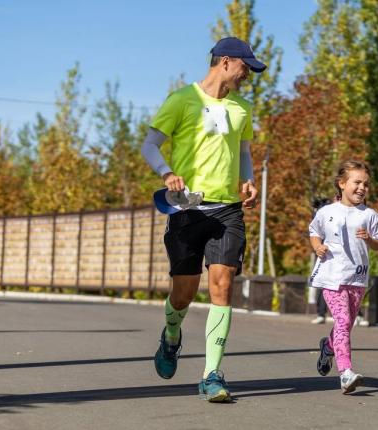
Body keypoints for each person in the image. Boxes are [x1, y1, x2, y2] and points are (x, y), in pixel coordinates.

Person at [141, 37, 266, 402]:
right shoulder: (182, 100)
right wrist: (166, 174)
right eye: (245, 68)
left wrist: (249, 181)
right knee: (182, 294)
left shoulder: (242, 109)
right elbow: (150, 144)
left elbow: (244, 153)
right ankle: (172, 334)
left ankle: (212, 374)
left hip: (227, 209)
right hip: (187, 210)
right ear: (226, 62)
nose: (247, 76)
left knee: (222, 286)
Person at [309, 160, 378, 394]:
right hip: (332, 277)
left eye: (366, 184)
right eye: (357, 182)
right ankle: (346, 373)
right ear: (342, 184)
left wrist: (369, 239)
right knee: (343, 322)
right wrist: (317, 247)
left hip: (357, 278)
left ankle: (328, 346)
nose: (362, 188)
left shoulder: (370, 215)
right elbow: (314, 231)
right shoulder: (326, 212)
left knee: (346, 325)